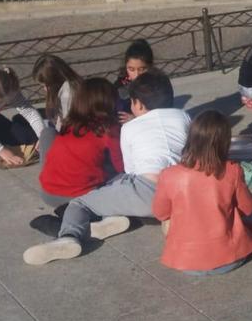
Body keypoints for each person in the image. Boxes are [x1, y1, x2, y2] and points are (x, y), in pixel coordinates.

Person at [23, 70, 190, 265]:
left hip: (145, 192)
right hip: (182, 189)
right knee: (115, 182)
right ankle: (149, 216)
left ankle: (68, 235)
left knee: (81, 203)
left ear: (138, 104)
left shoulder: (125, 127)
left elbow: (130, 170)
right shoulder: (184, 117)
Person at [152, 110, 252, 275]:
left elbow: (160, 213)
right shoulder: (233, 170)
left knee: (169, 219)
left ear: (191, 138)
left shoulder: (169, 175)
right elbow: (248, 209)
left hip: (186, 263)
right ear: (224, 142)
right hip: (231, 258)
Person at [38, 78, 123, 205]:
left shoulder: (70, 122)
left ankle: (68, 213)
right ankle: (92, 213)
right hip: (82, 196)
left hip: (48, 194)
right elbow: (120, 166)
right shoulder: (109, 129)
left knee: (47, 133)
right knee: (124, 178)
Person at [32, 54, 82, 155]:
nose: (44, 89)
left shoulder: (68, 94)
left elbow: (67, 126)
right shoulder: (67, 87)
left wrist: (49, 140)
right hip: (63, 130)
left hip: (72, 137)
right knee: (20, 120)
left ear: (54, 81)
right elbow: (59, 119)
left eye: (45, 86)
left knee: (23, 131)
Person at [115, 39, 154, 123]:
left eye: (142, 69)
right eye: (131, 69)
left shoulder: (157, 85)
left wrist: (134, 119)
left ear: (150, 66)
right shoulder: (121, 84)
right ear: (126, 66)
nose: (136, 75)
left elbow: (160, 113)